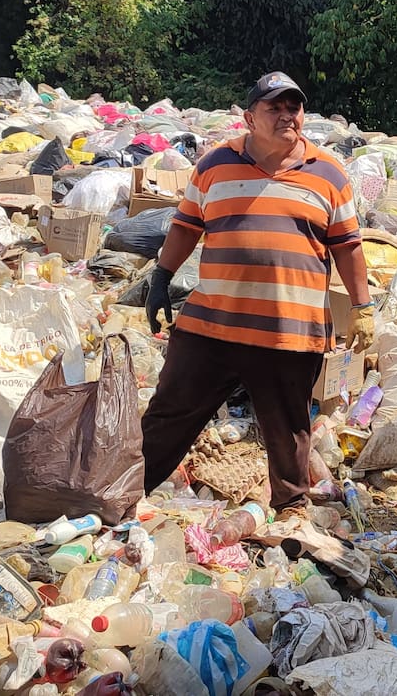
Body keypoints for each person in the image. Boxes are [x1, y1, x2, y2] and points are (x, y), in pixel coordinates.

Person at [139, 71, 373, 522]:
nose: (287, 115)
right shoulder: (213, 165)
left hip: (290, 328)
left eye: (294, 106)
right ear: (249, 117)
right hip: (213, 323)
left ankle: (291, 512)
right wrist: (161, 279)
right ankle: (126, 494)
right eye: (275, 107)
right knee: (170, 412)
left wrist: (362, 309)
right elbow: (187, 227)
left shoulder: (328, 172)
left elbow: (347, 244)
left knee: (288, 428)